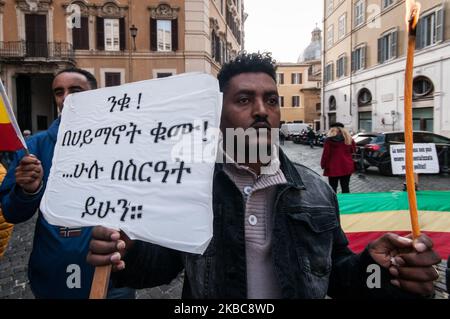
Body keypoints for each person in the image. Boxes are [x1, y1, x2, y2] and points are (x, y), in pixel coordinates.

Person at [87, 53, 440, 299]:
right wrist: (126, 251)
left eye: (271, 100)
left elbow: (335, 276)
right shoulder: (192, 185)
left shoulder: (315, 189)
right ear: (217, 112)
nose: (261, 111)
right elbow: (160, 267)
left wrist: (375, 268)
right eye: (244, 100)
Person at [0, 68, 135, 299]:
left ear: (94, 95)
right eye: (59, 92)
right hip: (54, 271)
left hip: (112, 274)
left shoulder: (122, 142)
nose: (66, 97)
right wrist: (28, 191)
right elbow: (12, 212)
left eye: (75, 90)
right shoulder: (35, 146)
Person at [320, 123, 356, 193]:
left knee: (333, 188)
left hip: (333, 167)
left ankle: (334, 203)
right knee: (345, 187)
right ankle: (345, 203)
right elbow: (353, 150)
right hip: (346, 166)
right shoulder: (349, 139)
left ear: (332, 130)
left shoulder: (329, 140)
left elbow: (326, 155)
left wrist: (323, 164)